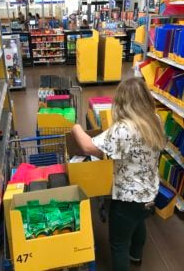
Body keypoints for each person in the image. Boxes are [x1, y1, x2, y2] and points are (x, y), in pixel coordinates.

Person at [71, 78, 165, 271]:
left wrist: (76, 127)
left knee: (118, 243)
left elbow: (88, 146)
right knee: (139, 221)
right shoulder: (156, 120)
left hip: (127, 199)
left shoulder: (123, 129)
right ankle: (136, 256)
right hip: (149, 192)